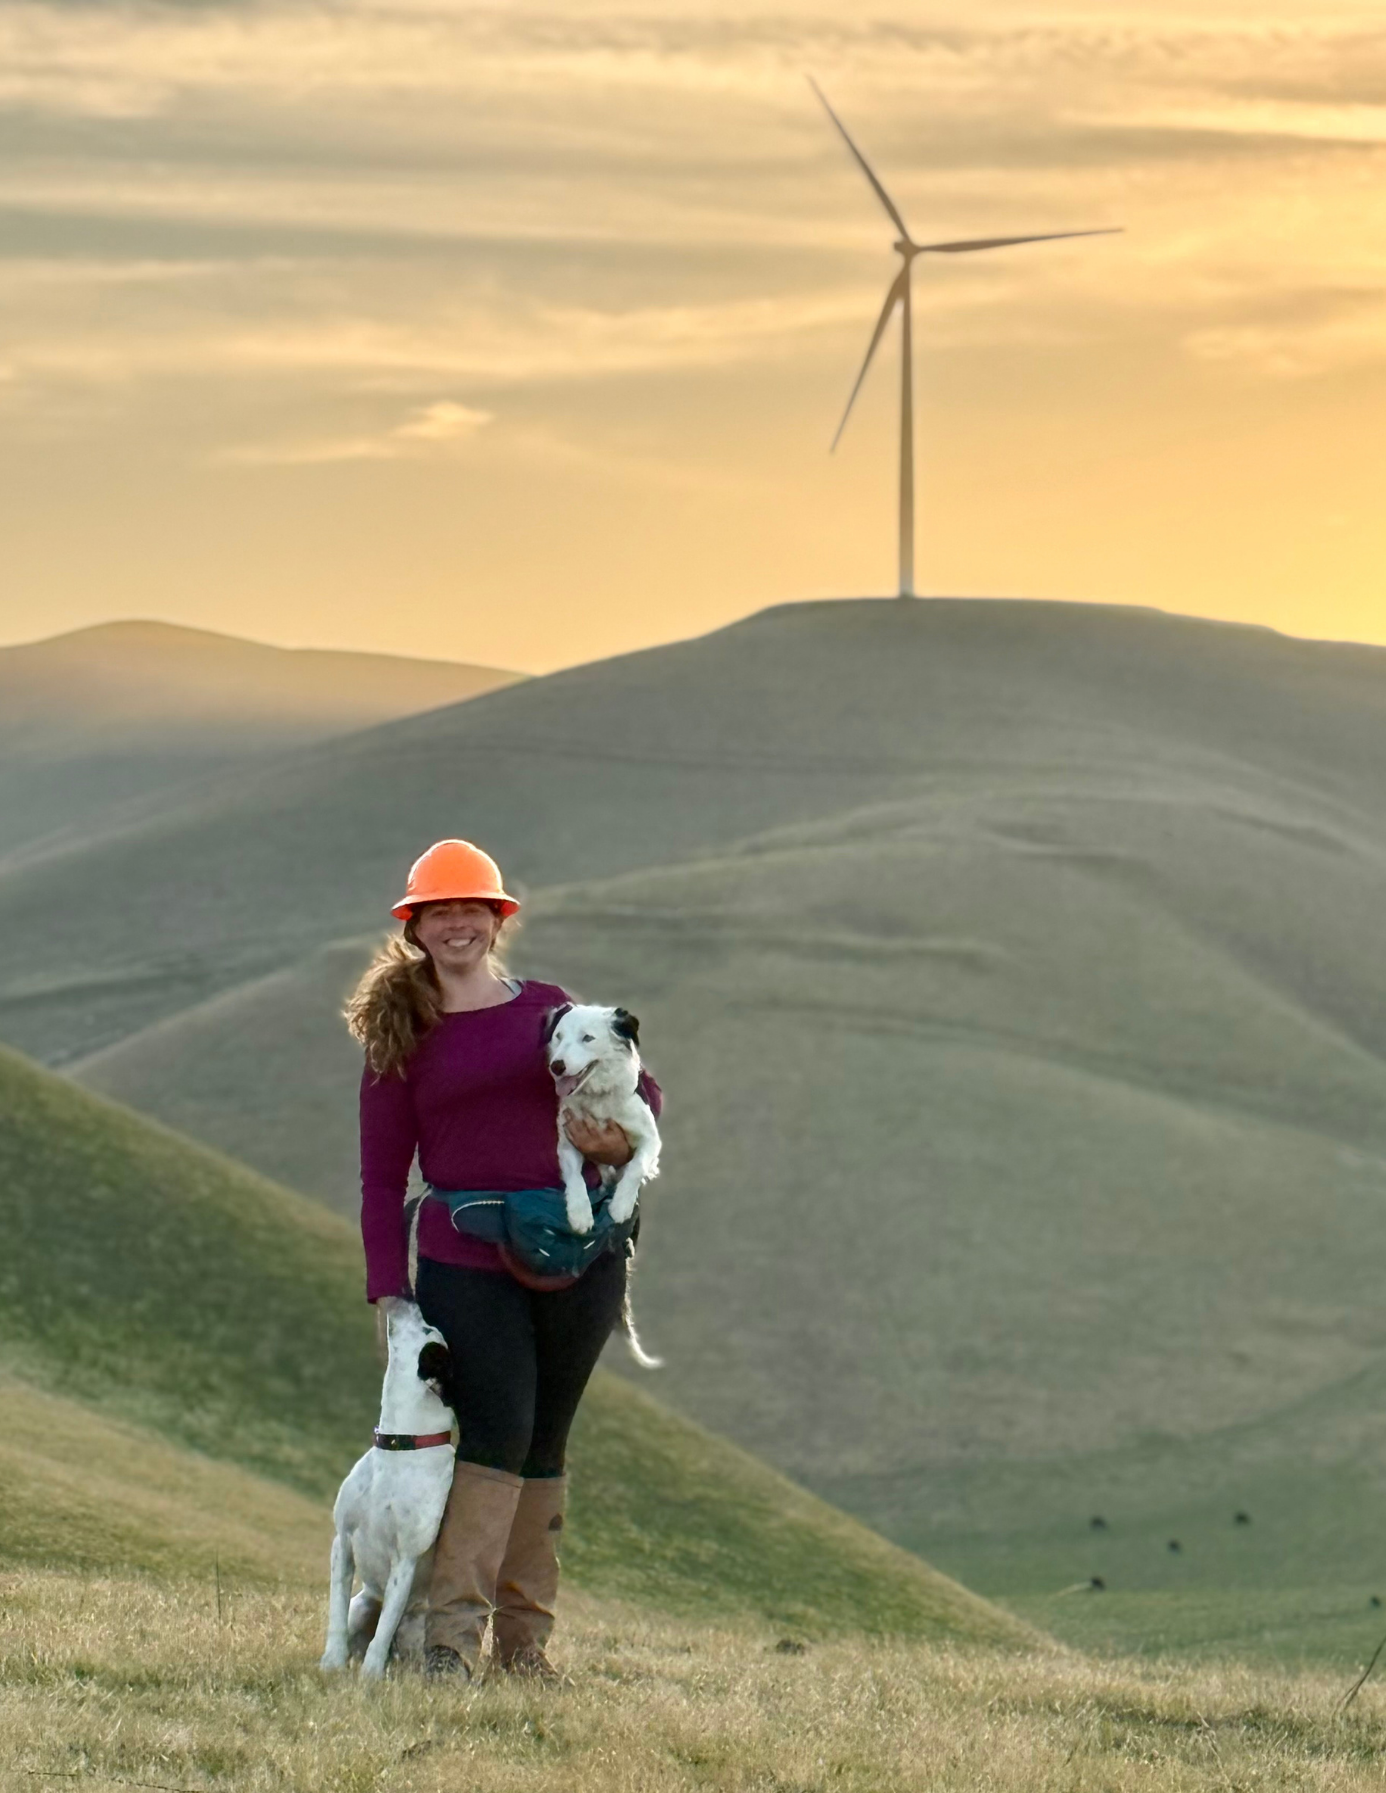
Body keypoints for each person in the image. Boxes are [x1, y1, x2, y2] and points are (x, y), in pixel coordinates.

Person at [344, 838, 662, 1682]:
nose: (458, 923)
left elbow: (643, 1089)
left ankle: (526, 1651)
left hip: (579, 1253)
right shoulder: (400, 1032)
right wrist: (388, 1291)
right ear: (416, 927)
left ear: (497, 919)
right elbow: (382, 1177)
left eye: (472, 909)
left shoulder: (553, 1008)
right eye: (439, 911)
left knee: (547, 1441)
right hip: (463, 1257)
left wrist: (611, 1134)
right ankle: (450, 1646)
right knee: (496, 1432)